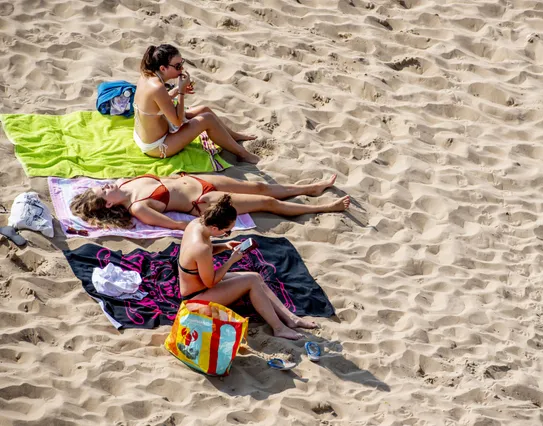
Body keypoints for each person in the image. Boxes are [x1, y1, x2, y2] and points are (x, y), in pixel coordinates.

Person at [178, 195, 317, 340]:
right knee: (251, 281)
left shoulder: (196, 224)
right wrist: (231, 260)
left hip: (198, 282)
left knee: (255, 276)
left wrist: (224, 245)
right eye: (227, 232)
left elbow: (199, 255)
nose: (227, 234)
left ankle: (291, 318)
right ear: (214, 227)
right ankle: (279, 328)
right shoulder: (201, 248)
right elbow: (210, 282)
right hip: (194, 298)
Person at [70, 173, 350, 230]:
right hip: (203, 199)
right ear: (108, 205)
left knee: (259, 186)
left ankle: (310, 187)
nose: (106, 186)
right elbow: (176, 226)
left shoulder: (124, 183)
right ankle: (324, 207)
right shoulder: (139, 207)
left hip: (196, 178)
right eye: (103, 192)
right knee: (265, 201)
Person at [134, 44, 260, 163]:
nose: (182, 69)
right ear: (163, 68)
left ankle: (234, 136)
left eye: (182, 63)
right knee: (207, 119)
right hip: (157, 147)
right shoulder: (157, 87)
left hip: (146, 136)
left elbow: (158, 102)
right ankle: (242, 154)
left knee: (203, 109)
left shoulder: (147, 76)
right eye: (177, 66)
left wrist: (177, 90)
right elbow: (177, 121)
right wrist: (181, 93)